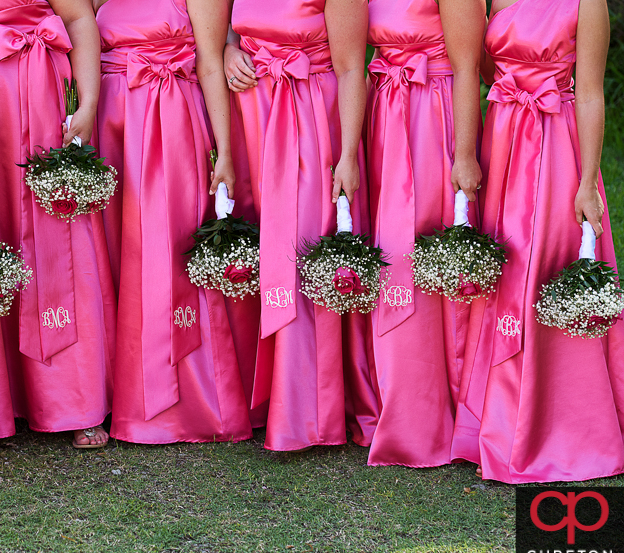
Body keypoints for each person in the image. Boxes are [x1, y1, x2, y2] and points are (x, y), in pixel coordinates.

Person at [452, 0, 624, 482]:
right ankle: (493, 421)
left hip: (556, 145)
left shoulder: (587, 4)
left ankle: (556, 427)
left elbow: (590, 94)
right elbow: (485, 69)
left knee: (544, 269)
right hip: (505, 136)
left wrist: (587, 181)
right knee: (504, 272)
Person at [0, 0, 115, 448]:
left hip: (42, 92)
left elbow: (79, 18)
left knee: (59, 233)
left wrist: (89, 100)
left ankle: (75, 398)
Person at [94, 0, 253, 444]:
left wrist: (223, 148)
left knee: (168, 254)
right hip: (113, 121)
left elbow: (207, 63)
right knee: (116, 254)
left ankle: (185, 403)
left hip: (170, 120)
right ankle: (113, 390)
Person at [224, 0, 371, 451]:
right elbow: (231, 28)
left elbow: (350, 69)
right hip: (253, 114)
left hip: (309, 115)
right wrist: (230, 49)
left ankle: (308, 411)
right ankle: (261, 399)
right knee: (261, 249)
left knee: (301, 252)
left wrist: (347, 155)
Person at [363, 0, 484, 467]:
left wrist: (464, 153)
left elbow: (467, 65)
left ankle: (435, 412)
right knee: (390, 253)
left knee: (423, 253)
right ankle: (397, 396)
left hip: (432, 115)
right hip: (388, 111)